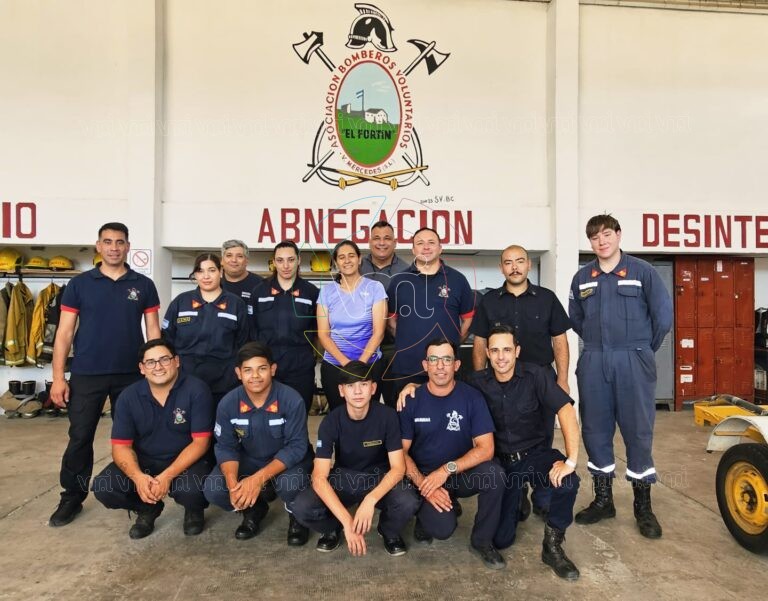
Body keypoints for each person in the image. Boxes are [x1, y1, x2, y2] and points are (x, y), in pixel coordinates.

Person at [48, 222, 161, 527]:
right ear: (98, 246)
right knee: (80, 437)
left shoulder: (143, 285)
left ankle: (142, 497)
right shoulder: (80, 284)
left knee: (136, 438)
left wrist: (155, 372)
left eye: (119, 242)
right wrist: (59, 377)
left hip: (132, 376)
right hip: (87, 374)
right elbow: (65, 333)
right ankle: (72, 497)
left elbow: (153, 332)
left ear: (128, 247)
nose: (113, 247)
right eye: (107, 242)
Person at [569, 214, 673, 539]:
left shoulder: (643, 272)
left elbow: (663, 318)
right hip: (595, 357)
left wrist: (640, 351)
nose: (601, 241)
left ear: (618, 235)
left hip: (633, 358)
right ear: (590, 242)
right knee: (595, 431)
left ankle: (643, 507)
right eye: (595, 237)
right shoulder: (582, 277)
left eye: (607, 234)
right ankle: (603, 501)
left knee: (638, 431)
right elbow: (576, 319)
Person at [468, 325, 580, 580]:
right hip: (503, 467)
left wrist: (571, 461)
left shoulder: (536, 375)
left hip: (534, 455)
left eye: (507, 349)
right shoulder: (477, 382)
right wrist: (412, 389)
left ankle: (552, 546)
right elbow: (444, 389)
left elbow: (565, 409)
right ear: (486, 353)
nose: (501, 357)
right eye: (494, 350)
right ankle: (518, 500)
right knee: (501, 540)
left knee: (567, 481)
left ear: (517, 351)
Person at [470, 245, 571, 519]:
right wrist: (481, 382)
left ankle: (542, 494)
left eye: (519, 261)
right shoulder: (490, 301)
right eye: (508, 262)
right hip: (501, 383)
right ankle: (517, 493)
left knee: (542, 440)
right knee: (507, 441)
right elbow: (480, 343)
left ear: (528, 265)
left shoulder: (547, 298)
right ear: (501, 267)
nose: (514, 267)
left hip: (540, 382)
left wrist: (562, 379)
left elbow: (559, 341)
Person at [292, 361, 418, 557]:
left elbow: (398, 468)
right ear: (341, 391)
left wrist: (370, 500)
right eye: (351, 386)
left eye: (364, 384)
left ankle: (388, 531)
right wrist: (347, 522)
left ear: (373, 388)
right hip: (345, 477)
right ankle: (332, 528)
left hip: (379, 475)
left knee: (408, 501)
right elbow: (318, 477)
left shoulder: (388, 416)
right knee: (301, 506)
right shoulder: (331, 421)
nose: (357, 391)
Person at [399, 338, 505, 570]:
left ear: (456, 365)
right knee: (442, 529)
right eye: (434, 360)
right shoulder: (411, 400)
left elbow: (486, 448)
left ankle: (482, 541)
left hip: (458, 472)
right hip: (426, 478)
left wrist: (446, 470)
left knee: (494, 474)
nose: (440, 366)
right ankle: (423, 514)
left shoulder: (472, 398)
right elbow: (401, 453)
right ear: (425, 365)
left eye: (446, 359)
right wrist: (425, 485)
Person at [91, 339, 214, 539]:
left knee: (193, 490)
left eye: (164, 359)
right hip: (145, 461)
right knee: (104, 487)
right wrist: (138, 477)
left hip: (186, 461)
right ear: (142, 368)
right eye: (151, 362)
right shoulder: (129, 397)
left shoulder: (196, 390)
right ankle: (147, 507)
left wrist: (166, 476)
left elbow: (201, 443)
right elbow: (121, 447)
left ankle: (194, 509)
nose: (158, 367)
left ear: (176, 361)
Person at [203, 342, 313, 544]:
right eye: (248, 370)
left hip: (288, 462)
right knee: (215, 488)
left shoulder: (291, 399)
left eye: (262, 369)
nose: (255, 376)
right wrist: (233, 483)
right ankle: (253, 509)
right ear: (238, 373)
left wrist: (257, 479)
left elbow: (296, 446)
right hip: (250, 459)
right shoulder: (228, 403)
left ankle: (296, 516)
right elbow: (226, 446)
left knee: (291, 484)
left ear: (272, 369)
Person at [386, 227, 475, 402]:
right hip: (407, 367)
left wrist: (452, 344)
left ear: (440, 248)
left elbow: (468, 320)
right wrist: (408, 340)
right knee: (406, 422)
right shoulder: (398, 281)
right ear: (413, 250)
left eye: (431, 242)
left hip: (446, 368)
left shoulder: (458, 280)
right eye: (420, 243)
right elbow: (391, 321)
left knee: (448, 422)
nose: (426, 247)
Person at [162, 253, 249, 404]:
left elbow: (244, 344)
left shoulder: (236, 304)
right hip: (184, 381)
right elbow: (166, 340)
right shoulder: (180, 302)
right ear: (195, 274)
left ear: (220, 272)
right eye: (200, 271)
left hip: (224, 383)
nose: (206, 276)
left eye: (212, 270)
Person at [317, 240, 387, 411]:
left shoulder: (375, 288)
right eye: (341, 257)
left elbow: (379, 333)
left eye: (351, 256)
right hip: (335, 367)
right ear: (336, 262)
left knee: (369, 416)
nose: (347, 261)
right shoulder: (326, 291)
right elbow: (323, 334)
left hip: (369, 365)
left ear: (359, 259)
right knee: (339, 417)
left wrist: (359, 366)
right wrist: (347, 365)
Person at [251, 241, 319, 413]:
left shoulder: (312, 292)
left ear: (299, 260)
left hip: (300, 367)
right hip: (267, 366)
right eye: (280, 260)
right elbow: (251, 331)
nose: (286, 266)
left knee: (298, 414)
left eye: (290, 259)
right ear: (274, 262)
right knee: (268, 417)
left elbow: (319, 331)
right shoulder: (259, 292)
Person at [361, 220, 408, 408]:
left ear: (395, 242)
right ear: (369, 242)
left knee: (395, 403)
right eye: (377, 238)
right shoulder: (356, 267)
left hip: (393, 348)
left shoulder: (408, 271)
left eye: (387, 238)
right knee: (363, 402)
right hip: (362, 347)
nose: (382, 243)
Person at [220, 239, 263, 320]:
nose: (234, 260)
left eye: (239, 256)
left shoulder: (260, 284)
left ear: (246, 261)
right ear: (222, 260)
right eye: (229, 255)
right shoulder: (213, 284)